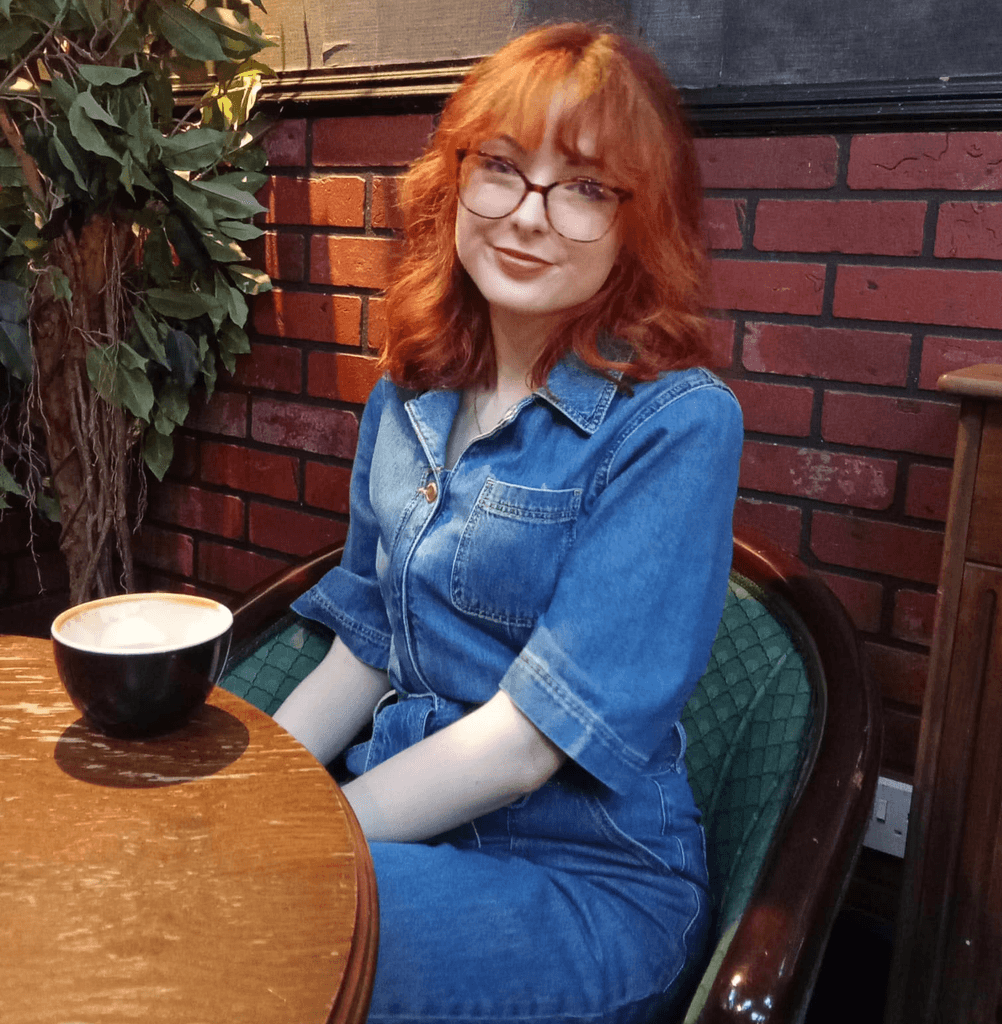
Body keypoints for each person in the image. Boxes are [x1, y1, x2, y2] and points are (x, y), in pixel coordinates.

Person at [274, 22, 743, 1024]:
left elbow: (533, 742)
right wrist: (245, 801)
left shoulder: (676, 423)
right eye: (501, 169)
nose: (528, 217)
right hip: (404, 835)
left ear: (636, 221)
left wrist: (293, 844)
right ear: (455, 184)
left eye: (582, 187)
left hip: (580, 880)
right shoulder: (407, 395)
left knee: (253, 926)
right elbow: (367, 647)